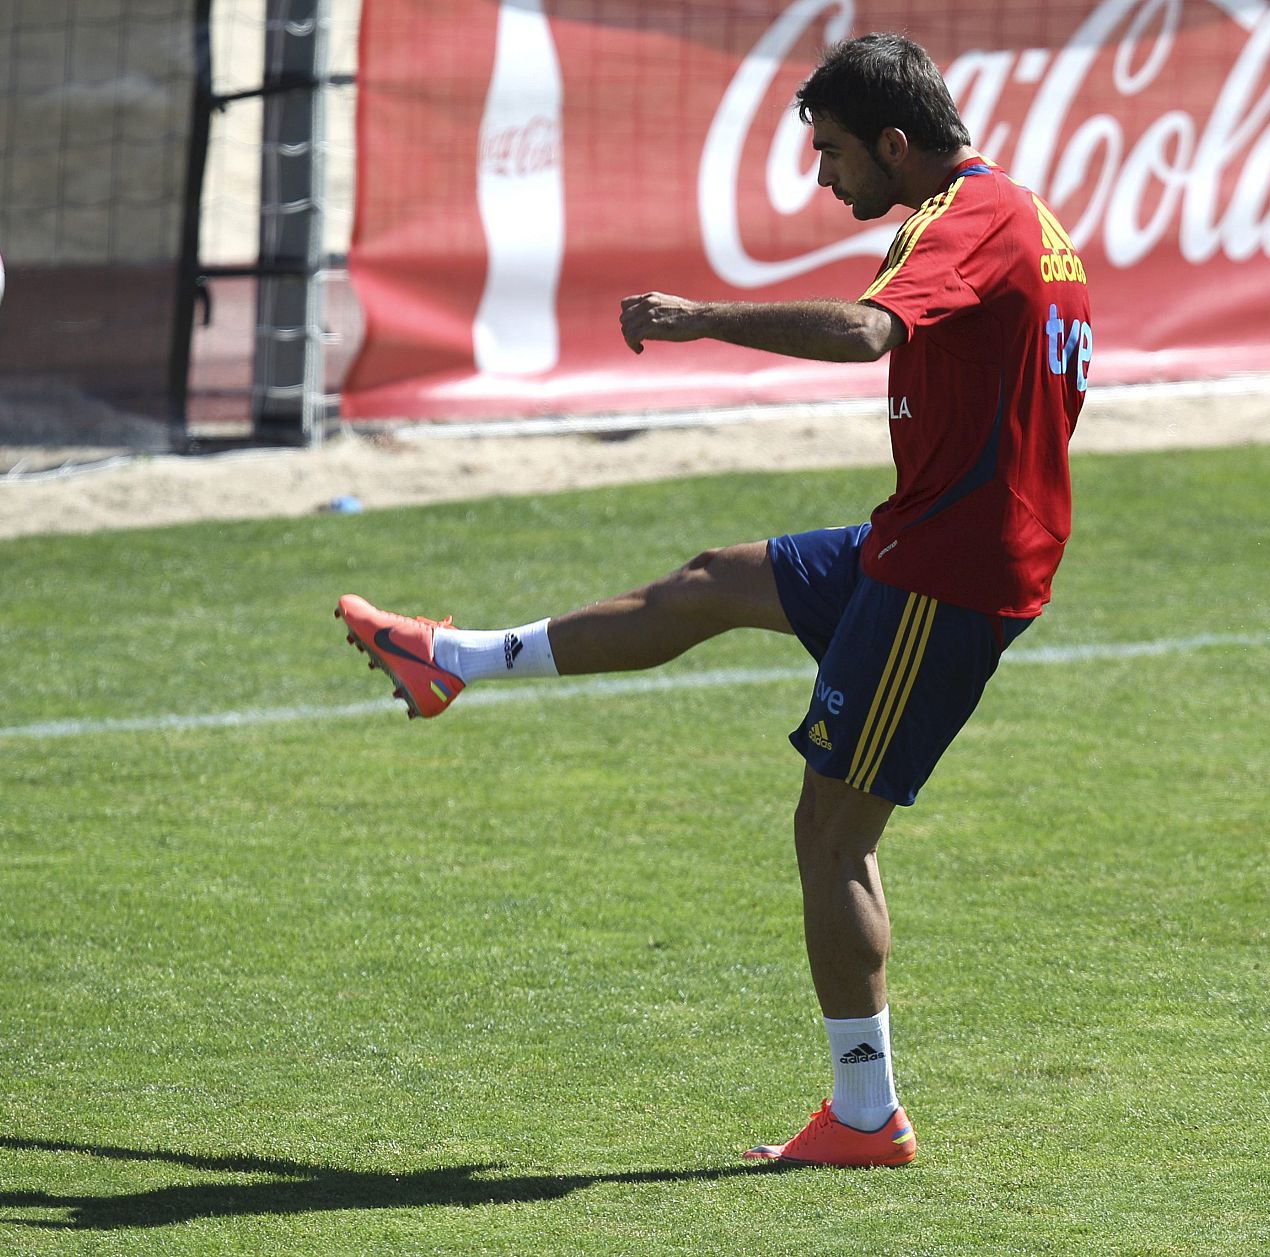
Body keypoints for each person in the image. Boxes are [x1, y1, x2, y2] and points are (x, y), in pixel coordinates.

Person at [337, 32, 1092, 1168]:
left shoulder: (968, 218)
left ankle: (865, 1113)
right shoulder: (1022, 217)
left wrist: (702, 318)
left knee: (831, 835)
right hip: (922, 539)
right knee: (715, 580)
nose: (824, 177)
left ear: (895, 143)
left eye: (833, 153)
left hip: (947, 575)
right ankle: (456, 661)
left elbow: (868, 331)